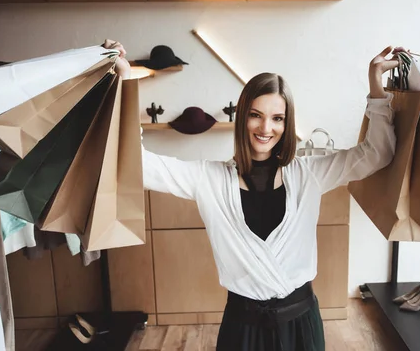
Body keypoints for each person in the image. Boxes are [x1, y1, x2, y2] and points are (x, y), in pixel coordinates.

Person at [103, 39, 398, 350]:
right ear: (242, 116)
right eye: (256, 115)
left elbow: (376, 153)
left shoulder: (309, 173)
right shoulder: (209, 179)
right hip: (242, 329)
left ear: (287, 122)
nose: (265, 127)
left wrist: (376, 84)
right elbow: (139, 165)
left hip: (300, 325)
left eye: (277, 118)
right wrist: (123, 81)